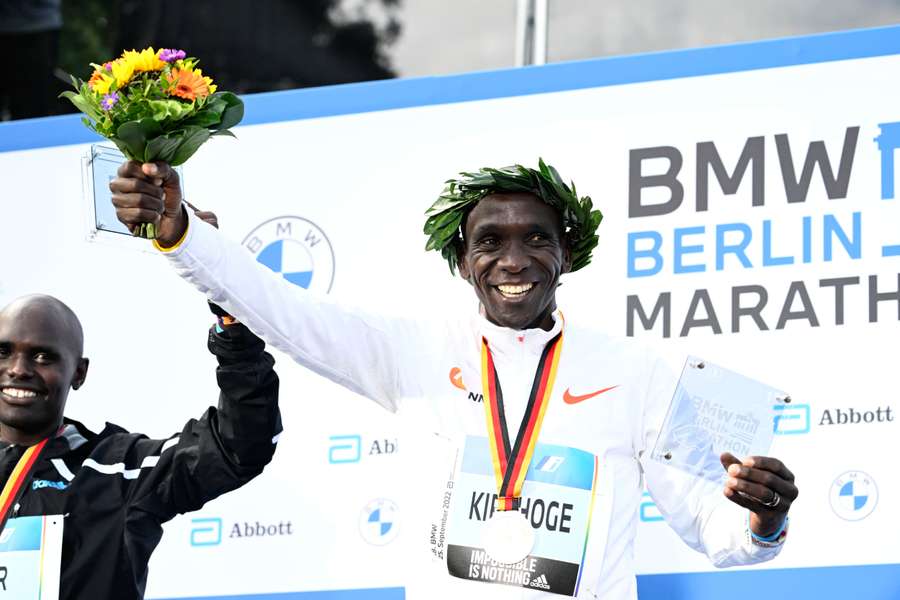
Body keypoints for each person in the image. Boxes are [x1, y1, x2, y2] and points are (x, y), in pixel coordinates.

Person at [109, 159, 798, 599]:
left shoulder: (639, 372)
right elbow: (288, 314)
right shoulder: (413, 351)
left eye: (536, 238)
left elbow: (718, 529)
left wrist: (763, 517)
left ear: (565, 254)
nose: (514, 259)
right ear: (462, 262)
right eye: (490, 242)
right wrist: (182, 235)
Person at [0, 294, 282, 599]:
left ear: (79, 373)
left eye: (43, 357)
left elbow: (235, 446)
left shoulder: (117, 471)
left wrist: (235, 335)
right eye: (3, 352)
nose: (18, 369)